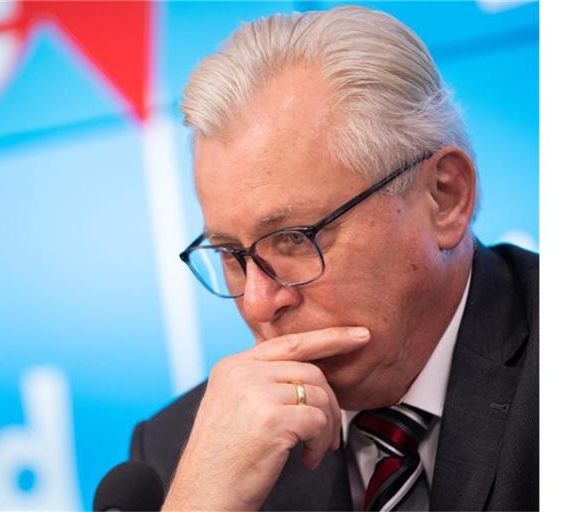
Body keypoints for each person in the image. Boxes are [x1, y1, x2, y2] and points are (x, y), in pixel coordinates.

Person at [128, 6, 538, 511]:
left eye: (295, 239)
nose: (258, 304)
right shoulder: (176, 458)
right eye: (232, 254)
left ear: (444, 197)